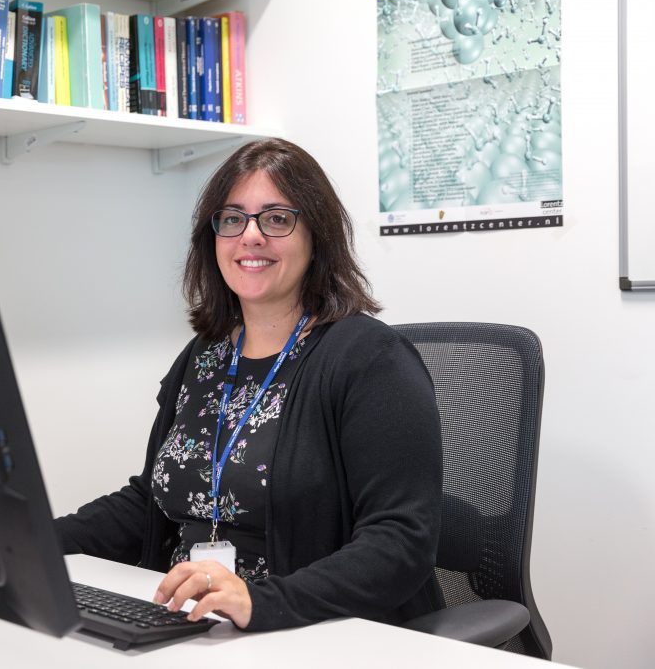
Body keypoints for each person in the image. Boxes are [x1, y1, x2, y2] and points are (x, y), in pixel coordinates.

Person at [54, 138, 443, 631]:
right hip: (195, 621)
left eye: (276, 219)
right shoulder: (205, 355)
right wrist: (28, 541)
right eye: (232, 219)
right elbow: (152, 501)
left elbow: (401, 542)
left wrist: (260, 602)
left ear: (317, 236)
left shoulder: (371, 360)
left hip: (314, 627)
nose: (251, 236)